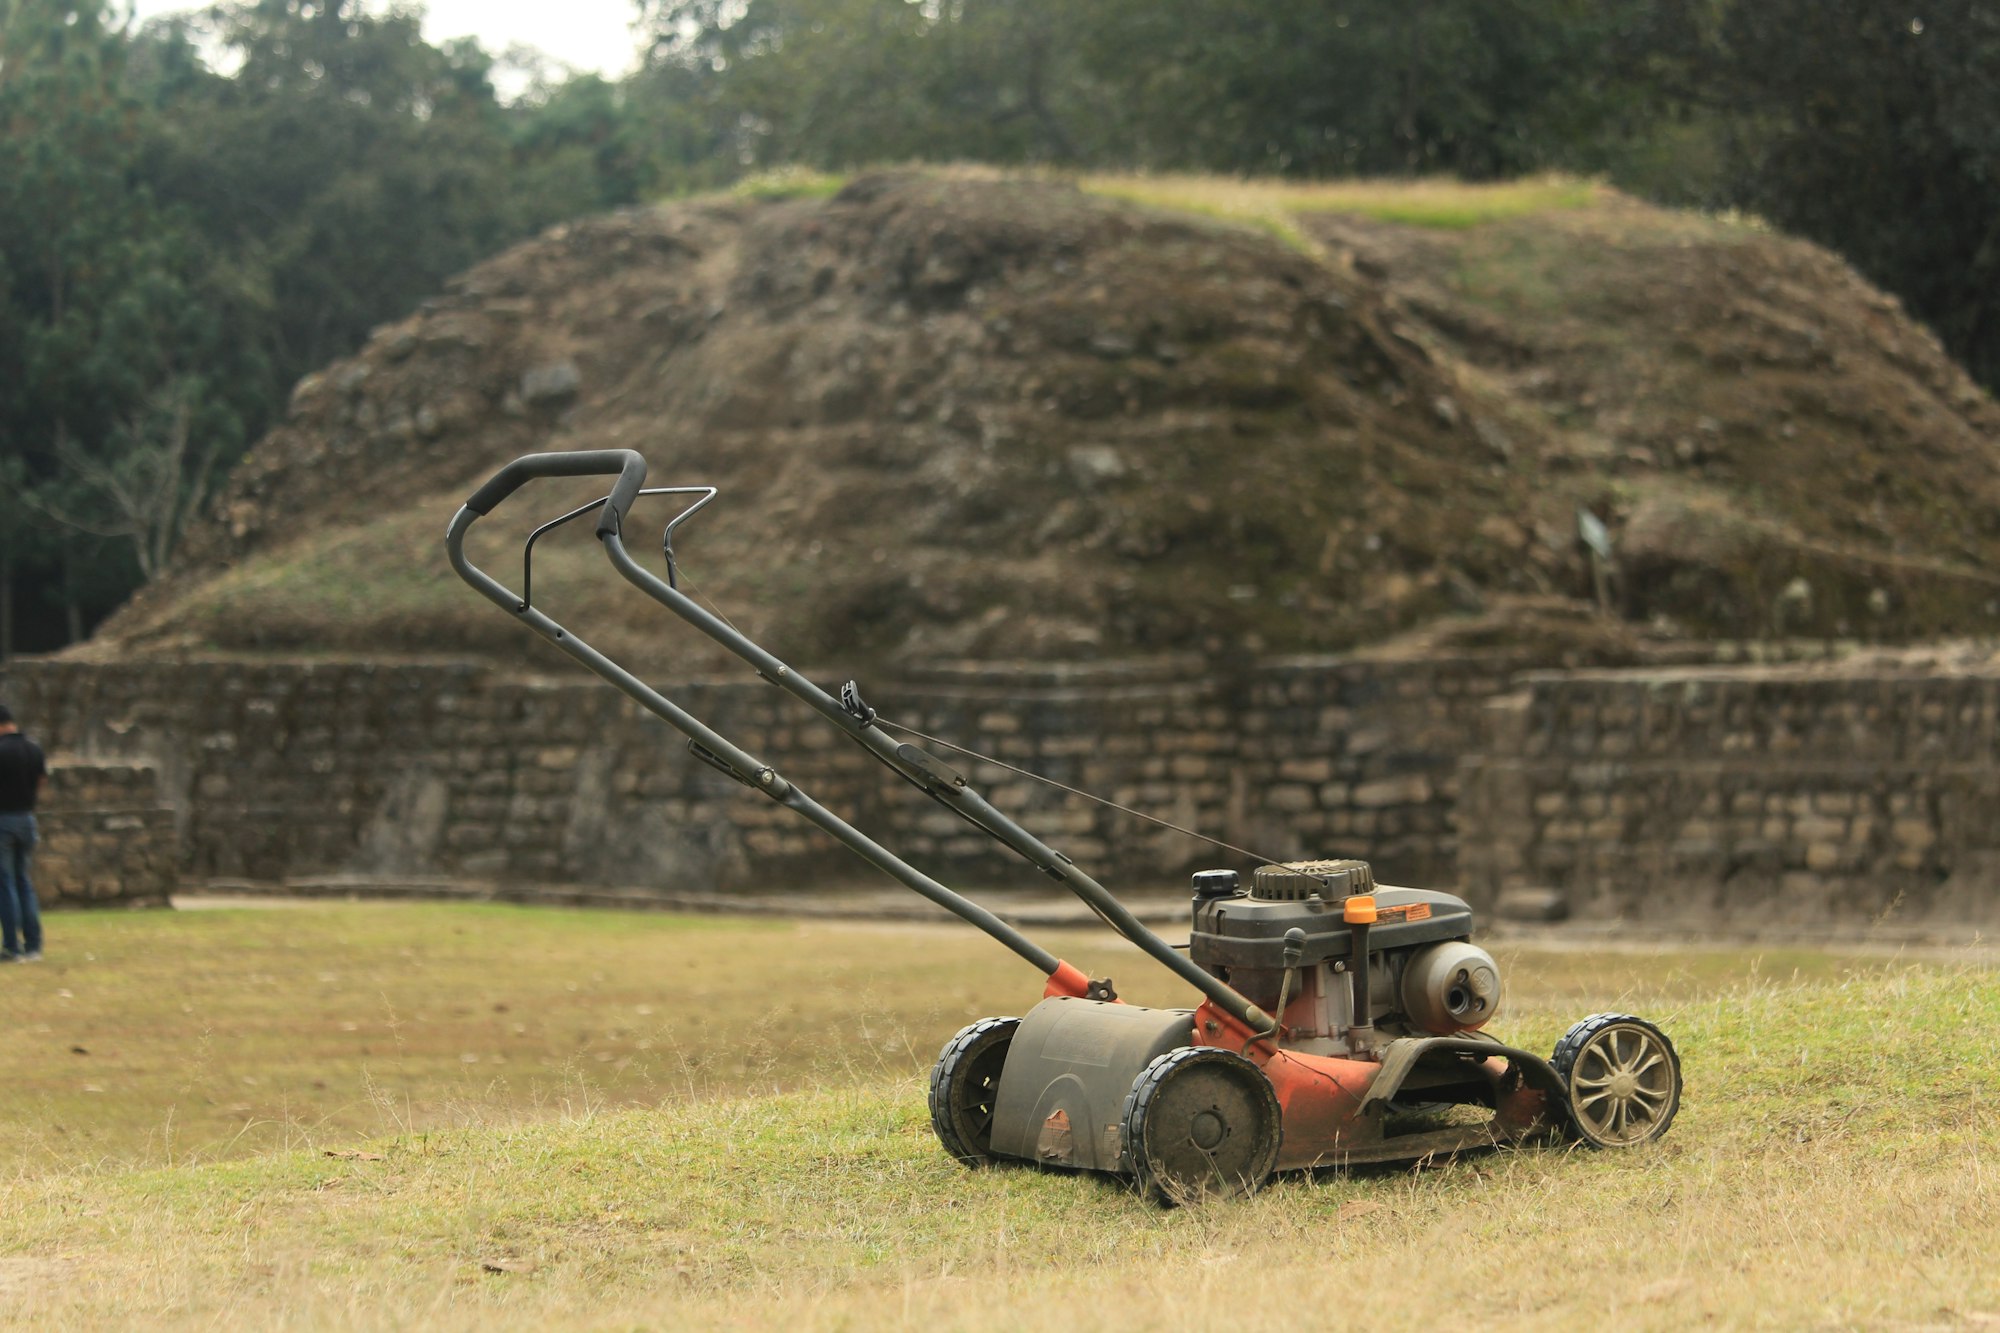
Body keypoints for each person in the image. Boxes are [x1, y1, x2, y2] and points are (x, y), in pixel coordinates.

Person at [0, 703, 46, 963]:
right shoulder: (33, 748)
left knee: (5, 885)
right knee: (24, 882)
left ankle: (11, 947)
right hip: (27, 818)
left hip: (3, 820)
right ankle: (33, 945)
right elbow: (41, 780)